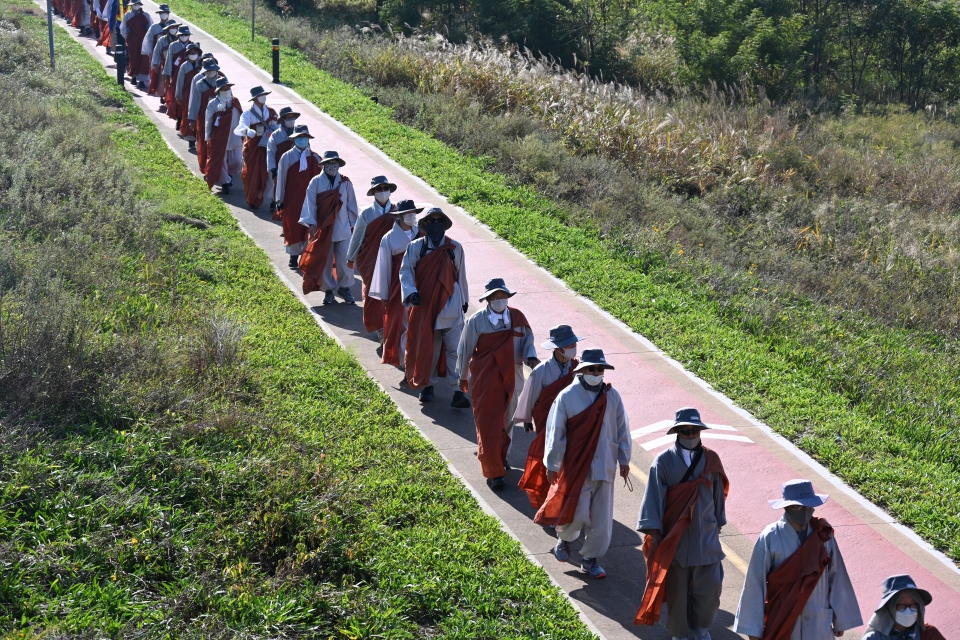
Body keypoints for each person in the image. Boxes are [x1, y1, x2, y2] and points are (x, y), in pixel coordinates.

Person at [635, 407, 729, 639]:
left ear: (700, 431)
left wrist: (718, 520)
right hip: (675, 539)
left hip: (705, 537)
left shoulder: (712, 459)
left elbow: (718, 494)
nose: (690, 435)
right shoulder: (663, 462)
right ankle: (680, 633)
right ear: (677, 432)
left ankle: (701, 627)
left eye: (694, 431)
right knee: (677, 592)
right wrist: (655, 532)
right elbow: (654, 497)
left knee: (710, 589)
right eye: (685, 431)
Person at [538, 348, 631, 579]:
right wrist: (552, 463)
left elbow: (622, 429)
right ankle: (564, 540)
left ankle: (590, 559)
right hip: (577, 465)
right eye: (592, 368)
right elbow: (555, 432)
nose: (597, 372)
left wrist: (624, 459)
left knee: (601, 519)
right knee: (577, 511)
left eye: (600, 369)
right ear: (582, 370)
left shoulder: (612, 396)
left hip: (605, 465)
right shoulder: (567, 397)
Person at [733, 479, 862, 640]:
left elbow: (836, 575)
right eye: (797, 506)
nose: (804, 510)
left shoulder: (823, 535)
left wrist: (841, 618)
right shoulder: (771, 536)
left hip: (818, 623)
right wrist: (753, 629)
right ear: (786, 507)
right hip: (783, 619)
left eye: (808, 506)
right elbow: (755, 582)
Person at [456, 278, 538, 488]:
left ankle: (501, 457)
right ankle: (493, 471)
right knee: (487, 423)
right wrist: (463, 376)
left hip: (513, 377)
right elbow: (465, 350)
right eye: (495, 297)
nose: (499, 300)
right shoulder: (476, 321)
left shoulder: (517, 318)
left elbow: (528, 341)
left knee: (508, 421)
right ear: (487, 300)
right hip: (485, 378)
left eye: (503, 296)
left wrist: (531, 358)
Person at [399, 207, 469, 404]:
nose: (436, 224)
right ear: (426, 224)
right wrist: (411, 293)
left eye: (440, 220)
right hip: (425, 305)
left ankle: (458, 390)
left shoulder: (455, 248)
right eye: (432, 220)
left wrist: (464, 301)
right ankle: (427, 386)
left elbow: (461, 276)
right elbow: (405, 272)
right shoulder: (415, 247)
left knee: (456, 349)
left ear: (444, 225)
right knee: (429, 347)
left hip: (451, 306)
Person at [517, 324, 583, 508]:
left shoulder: (578, 368)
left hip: (572, 423)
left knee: (569, 462)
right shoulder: (541, 371)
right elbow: (531, 396)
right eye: (568, 346)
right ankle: (548, 499)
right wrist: (527, 419)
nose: (572, 348)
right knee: (549, 459)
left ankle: (566, 500)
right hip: (547, 422)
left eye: (573, 344)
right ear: (558, 348)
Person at [298, 151, 358, 304]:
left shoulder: (345, 182)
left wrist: (352, 225)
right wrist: (312, 224)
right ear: (323, 165)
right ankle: (328, 290)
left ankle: (345, 288)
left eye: (335, 163)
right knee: (325, 261)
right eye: (330, 163)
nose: (333, 166)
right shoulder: (315, 182)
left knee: (345, 260)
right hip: (323, 229)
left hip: (343, 228)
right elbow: (310, 204)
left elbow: (352, 205)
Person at [346, 176, 398, 347]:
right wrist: (350, 257)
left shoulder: (398, 211)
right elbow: (358, 237)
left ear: (389, 190)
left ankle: (392, 328)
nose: (382, 191)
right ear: (373, 192)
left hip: (393, 260)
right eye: (379, 189)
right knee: (373, 295)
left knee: (393, 295)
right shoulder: (367, 213)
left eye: (385, 188)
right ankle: (380, 329)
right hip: (371, 260)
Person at [369, 200, 422, 368]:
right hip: (398, 287)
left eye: (413, 212)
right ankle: (405, 362)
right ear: (399, 216)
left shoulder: (420, 233)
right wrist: (384, 294)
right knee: (402, 324)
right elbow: (383, 268)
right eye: (407, 213)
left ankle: (414, 359)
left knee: (417, 323)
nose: (411, 216)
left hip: (420, 286)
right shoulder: (389, 238)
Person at [275, 125, 323, 269]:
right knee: (293, 227)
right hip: (292, 199)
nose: (302, 140)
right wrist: (279, 199)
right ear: (294, 139)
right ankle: (293, 256)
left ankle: (306, 256)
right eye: (299, 138)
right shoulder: (287, 156)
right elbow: (281, 179)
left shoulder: (315, 157)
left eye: (304, 138)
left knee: (309, 227)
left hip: (310, 200)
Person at [234, 86, 279, 209]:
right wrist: (248, 130)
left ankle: (272, 199)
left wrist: (275, 129)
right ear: (254, 99)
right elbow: (241, 125)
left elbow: (278, 125)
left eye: (264, 95)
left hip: (269, 146)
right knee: (252, 173)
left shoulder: (271, 112)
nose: (263, 97)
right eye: (261, 96)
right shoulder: (248, 114)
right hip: (254, 148)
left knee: (270, 172)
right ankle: (253, 197)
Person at [862, 575, 945, 640]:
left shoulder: (928, 633)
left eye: (913, 604)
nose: (908, 611)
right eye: (901, 605)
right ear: (889, 608)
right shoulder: (873, 638)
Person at [203, 78, 243, 195]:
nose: (226, 90)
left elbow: (241, 118)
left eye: (228, 88)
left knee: (236, 160)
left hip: (234, 136)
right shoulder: (213, 104)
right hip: (219, 137)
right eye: (224, 89)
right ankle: (225, 184)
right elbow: (208, 121)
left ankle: (229, 175)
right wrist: (207, 136)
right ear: (219, 90)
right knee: (221, 161)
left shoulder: (235, 102)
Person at [266, 106, 300, 215]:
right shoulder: (275, 135)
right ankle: (274, 201)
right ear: (282, 120)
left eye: (292, 117)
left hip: (295, 165)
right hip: (279, 165)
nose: (291, 119)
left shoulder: (299, 133)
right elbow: (270, 152)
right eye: (288, 117)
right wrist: (273, 168)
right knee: (277, 184)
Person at [189, 60, 222, 164]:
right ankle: (205, 163)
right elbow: (195, 102)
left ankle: (218, 164)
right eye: (208, 70)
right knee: (204, 138)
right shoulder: (200, 84)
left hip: (219, 116)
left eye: (213, 70)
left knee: (219, 139)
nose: (211, 72)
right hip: (204, 117)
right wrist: (192, 119)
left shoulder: (222, 82)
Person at [175, 45, 204, 146]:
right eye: (191, 53)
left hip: (200, 93)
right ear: (187, 55)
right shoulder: (184, 66)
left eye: (195, 53)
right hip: (187, 94)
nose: (193, 55)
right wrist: (178, 95)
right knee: (188, 115)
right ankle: (190, 139)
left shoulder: (202, 65)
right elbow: (180, 82)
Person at [163, 25, 193, 124]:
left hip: (190, 76)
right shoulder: (173, 46)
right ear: (179, 35)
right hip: (176, 75)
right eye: (182, 35)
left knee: (188, 97)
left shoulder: (193, 46)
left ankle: (184, 118)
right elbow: (169, 61)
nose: (184, 37)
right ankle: (178, 118)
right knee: (177, 96)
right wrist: (168, 75)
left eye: (186, 35)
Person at [119, 0, 151, 89]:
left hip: (143, 41)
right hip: (132, 41)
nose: (136, 6)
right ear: (131, 5)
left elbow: (151, 28)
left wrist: (148, 28)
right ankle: (133, 76)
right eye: (134, 4)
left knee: (143, 60)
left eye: (138, 4)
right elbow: (122, 29)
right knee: (133, 58)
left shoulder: (146, 15)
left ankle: (141, 80)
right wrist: (127, 31)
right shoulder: (127, 15)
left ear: (140, 5)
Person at [150, 20, 180, 107]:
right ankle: (164, 97)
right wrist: (155, 64)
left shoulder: (180, 39)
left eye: (175, 27)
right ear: (167, 29)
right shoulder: (162, 40)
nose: (174, 29)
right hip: (165, 65)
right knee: (164, 82)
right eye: (172, 28)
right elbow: (157, 52)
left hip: (177, 66)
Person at [143, 5, 171, 94]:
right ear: (159, 14)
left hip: (169, 56)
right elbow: (149, 40)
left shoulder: (173, 27)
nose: (164, 15)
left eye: (166, 13)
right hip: (158, 54)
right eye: (162, 13)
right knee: (158, 74)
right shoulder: (154, 27)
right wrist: (150, 52)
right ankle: (161, 93)